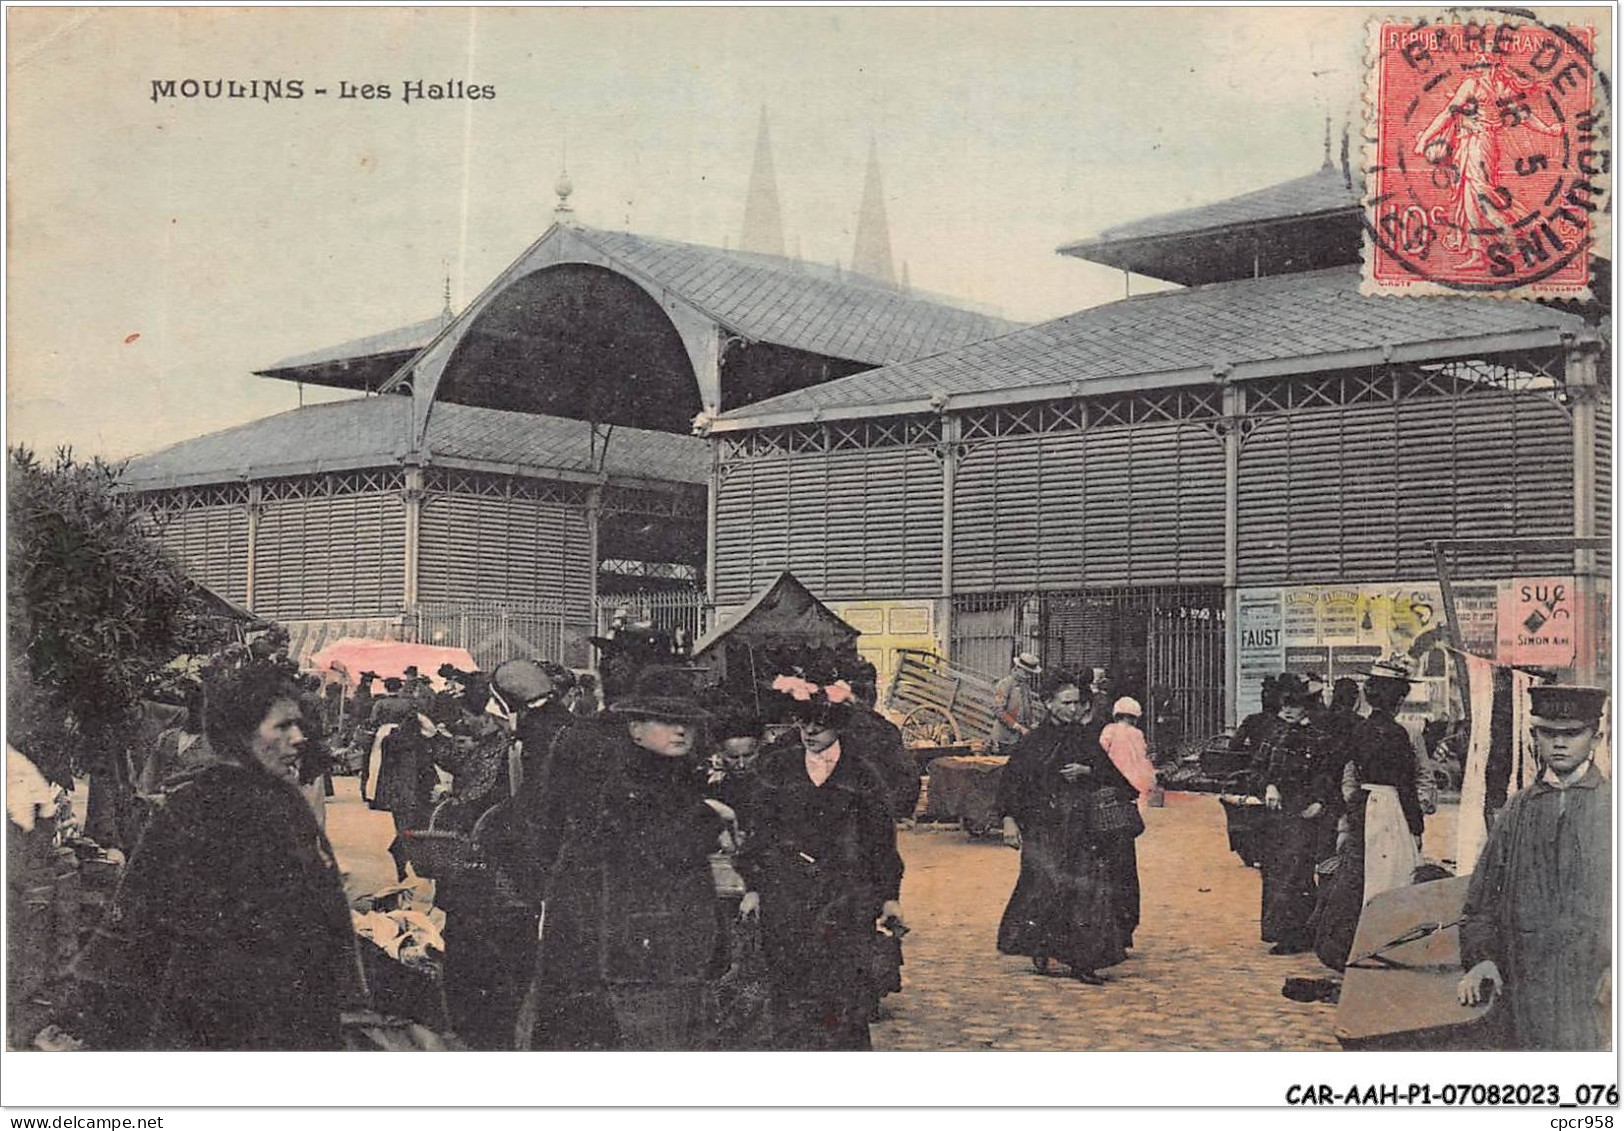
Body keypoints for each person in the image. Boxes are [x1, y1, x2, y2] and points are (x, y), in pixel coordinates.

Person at [61, 661, 361, 1049]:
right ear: (240, 734)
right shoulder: (195, 807)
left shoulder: (286, 802)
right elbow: (139, 913)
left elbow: (323, 909)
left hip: (294, 1006)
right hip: (214, 1013)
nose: (299, 738)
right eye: (283, 726)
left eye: (298, 724)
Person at [517, 666, 728, 1050]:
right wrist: (709, 818)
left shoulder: (671, 778)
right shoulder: (629, 788)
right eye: (664, 721)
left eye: (687, 722)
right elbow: (658, 856)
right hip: (639, 948)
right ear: (634, 729)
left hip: (661, 946)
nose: (680, 731)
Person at [734, 668, 905, 1049]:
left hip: (846, 896)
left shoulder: (862, 775)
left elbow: (881, 841)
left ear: (840, 726)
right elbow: (760, 833)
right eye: (804, 723)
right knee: (791, 989)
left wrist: (889, 896)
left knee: (844, 991)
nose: (810, 732)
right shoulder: (777, 769)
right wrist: (754, 887)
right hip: (788, 894)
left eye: (821, 725)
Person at [1458, 685, 1611, 1050]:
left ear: (1597, 736)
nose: (1560, 744)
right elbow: (1480, 901)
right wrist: (1481, 959)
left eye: (1572, 734)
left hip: (1596, 988)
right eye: (1549, 733)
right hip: (1524, 984)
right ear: (1533, 736)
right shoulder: (1517, 810)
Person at [996, 670, 1128, 983]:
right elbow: (1011, 783)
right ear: (1048, 703)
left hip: (1082, 829)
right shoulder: (1033, 743)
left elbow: (1114, 779)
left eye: (1077, 702)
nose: (1073, 708)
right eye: (1066, 702)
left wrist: (1087, 770)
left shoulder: (1084, 739)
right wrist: (1009, 820)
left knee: (1085, 892)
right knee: (1044, 887)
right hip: (1043, 829)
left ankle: (1084, 961)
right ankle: (1041, 945)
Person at [1248, 676, 1339, 955]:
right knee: (1275, 871)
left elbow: (1330, 775)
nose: (1288, 710)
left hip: (1304, 812)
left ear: (1307, 708)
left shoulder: (1320, 738)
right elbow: (1256, 770)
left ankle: (1297, 934)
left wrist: (1320, 803)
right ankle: (1282, 931)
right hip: (1276, 813)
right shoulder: (1275, 735)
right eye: (1286, 704)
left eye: (1296, 705)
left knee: (1296, 872)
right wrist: (1269, 785)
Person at [1346, 660, 1425, 904]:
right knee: (1391, 873)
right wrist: (1417, 826)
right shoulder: (1397, 733)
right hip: (1390, 807)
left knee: (1364, 871)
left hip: (1364, 803)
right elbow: (1405, 784)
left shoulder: (1360, 729)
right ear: (1397, 701)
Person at [1099, 697, 1156, 950]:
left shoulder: (1109, 731)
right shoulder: (1138, 734)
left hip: (1111, 789)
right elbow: (1142, 759)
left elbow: (1101, 756)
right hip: (1132, 788)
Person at [989, 652, 1045, 755]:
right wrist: (1018, 727)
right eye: (1027, 672)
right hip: (1005, 739)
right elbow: (998, 710)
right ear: (1018, 668)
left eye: (1031, 673)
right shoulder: (1005, 684)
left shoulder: (1025, 686)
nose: (1029, 676)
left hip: (1020, 739)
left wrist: (1031, 724)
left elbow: (1025, 709)